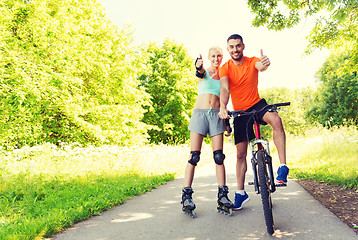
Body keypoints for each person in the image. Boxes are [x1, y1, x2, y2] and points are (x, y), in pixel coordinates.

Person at [218, 34, 289, 211]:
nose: (235, 49)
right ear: (228, 49)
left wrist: (265, 64)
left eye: (238, 46)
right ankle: (241, 193)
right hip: (241, 112)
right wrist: (223, 107)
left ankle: (283, 167)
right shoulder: (225, 68)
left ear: (243, 46)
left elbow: (261, 66)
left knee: (275, 119)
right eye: (232, 47)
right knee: (240, 154)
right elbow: (225, 89)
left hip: (257, 105)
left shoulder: (252, 61)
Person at [181, 47, 234, 216]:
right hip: (200, 114)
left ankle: (223, 195)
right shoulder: (205, 72)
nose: (216, 58)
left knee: (219, 157)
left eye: (219, 55)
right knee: (194, 156)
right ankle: (186, 196)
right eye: (213, 56)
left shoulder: (225, 75)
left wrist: (227, 123)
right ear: (209, 57)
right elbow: (200, 73)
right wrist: (198, 66)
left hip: (217, 116)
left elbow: (225, 97)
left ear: (222, 56)